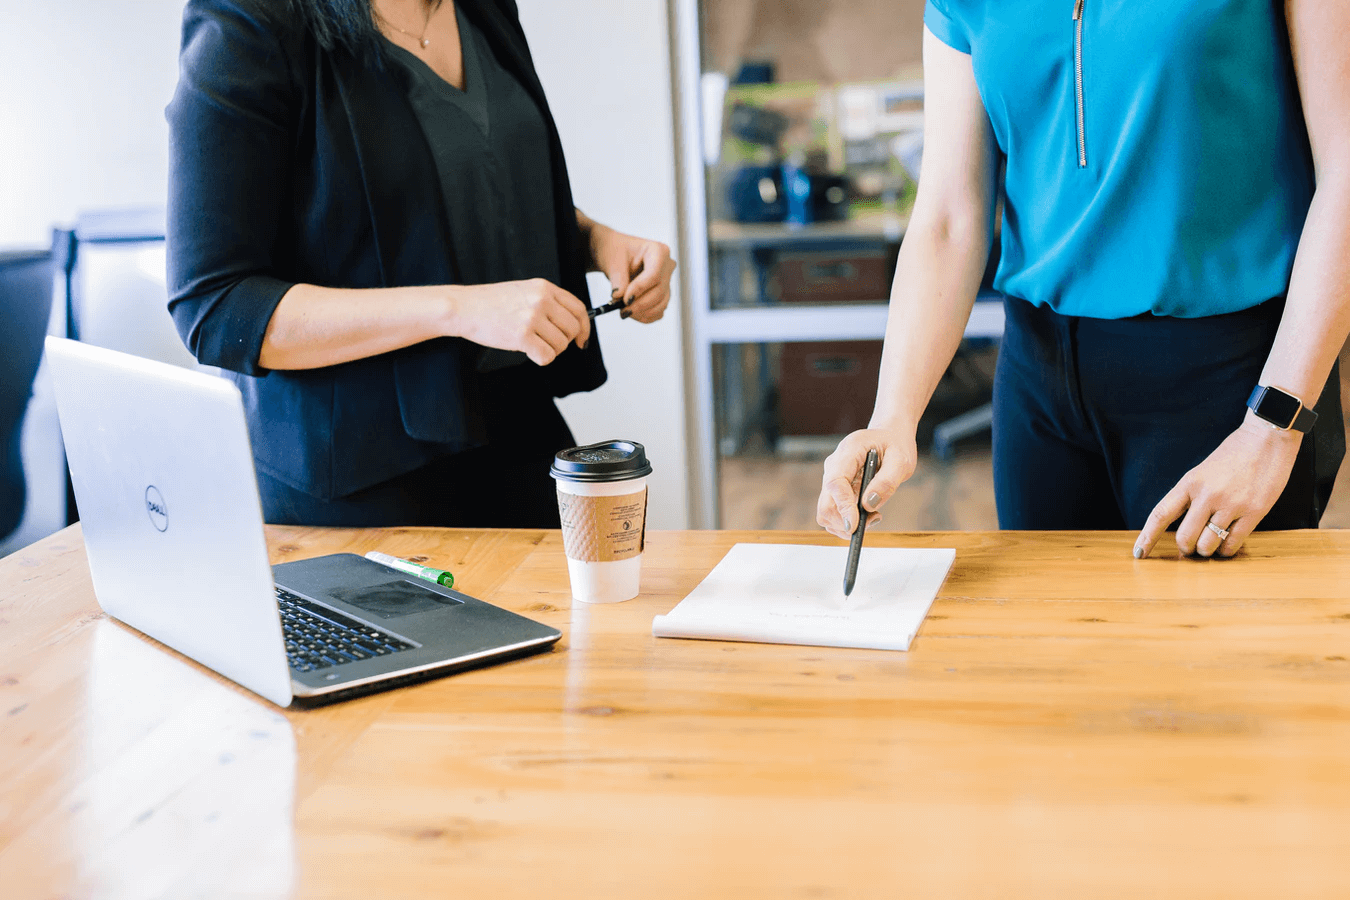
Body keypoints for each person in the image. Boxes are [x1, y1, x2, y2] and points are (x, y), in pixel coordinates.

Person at [817, 1, 1350, 559]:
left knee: (1215, 644)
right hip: (1039, 384)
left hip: (1230, 380)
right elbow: (949, 217)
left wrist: (1273, 427)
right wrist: (892, 418)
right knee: (1052, 641)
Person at [166, 0, 676, 528]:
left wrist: (595, 241)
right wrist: (456, 308)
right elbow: (217, 305)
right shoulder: (247, 22)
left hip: (519, 435)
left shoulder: (483, 8)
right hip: (361, 484)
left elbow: (455, 190)